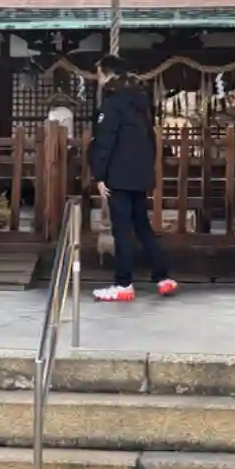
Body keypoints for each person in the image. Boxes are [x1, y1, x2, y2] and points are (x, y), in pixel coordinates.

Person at [87, 74, 178, 303]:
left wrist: (99, 175)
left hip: (118, 176)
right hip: (139, 176)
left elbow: (104, 142)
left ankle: (123, 283)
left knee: (122, 231)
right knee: (143, 227)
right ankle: (163, 277)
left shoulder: (112, 106)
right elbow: (152, 144)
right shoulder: (141, 108)